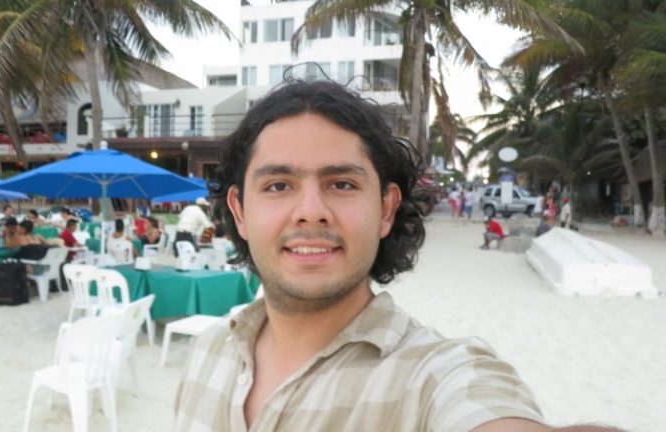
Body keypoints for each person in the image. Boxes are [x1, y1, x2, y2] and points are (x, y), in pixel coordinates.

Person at [174, 80, 624, 431]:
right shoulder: (207, 354)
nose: (311, 211)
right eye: (278, 185)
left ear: (386, 209)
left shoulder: (433, 377)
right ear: (240, 212)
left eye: (342, 184)